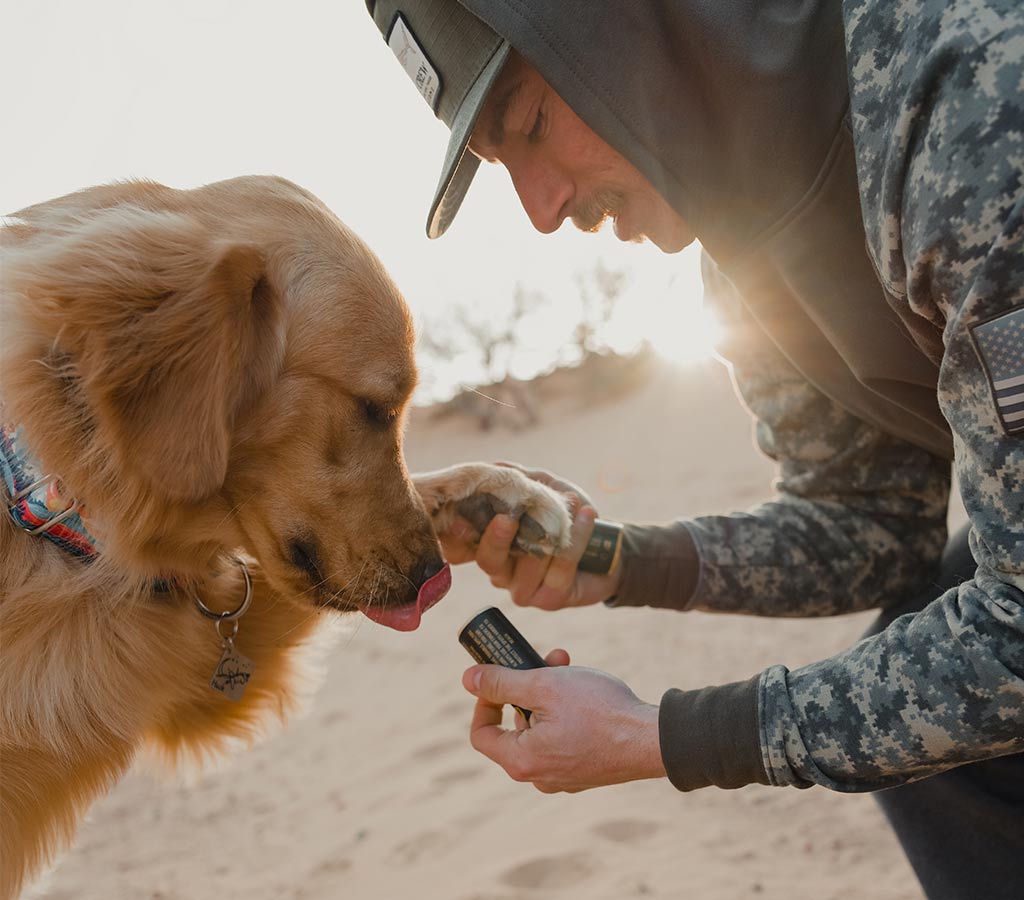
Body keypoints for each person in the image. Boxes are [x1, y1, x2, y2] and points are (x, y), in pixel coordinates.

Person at [365, 2, 1024, 897]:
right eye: (501, 165)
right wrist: (611, 559)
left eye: (531, 124)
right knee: (939, 738)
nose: (542, 209)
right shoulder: (742, 264)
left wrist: (657, 736)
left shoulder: (963, 99)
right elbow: (873, 525)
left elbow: (1016, 632)